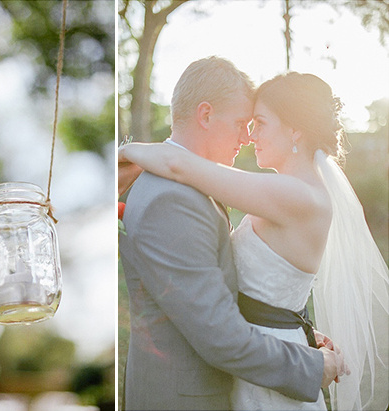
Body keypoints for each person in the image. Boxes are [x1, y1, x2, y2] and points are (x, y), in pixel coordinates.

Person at [119, 67, 389, 410]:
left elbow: (177, 164)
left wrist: (125, 154)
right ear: (205, 114)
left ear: (294, 130)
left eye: (259, 122)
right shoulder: (180, 197)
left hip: (269, 369)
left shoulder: (296, 195)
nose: (249, 135)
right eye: (245, 123)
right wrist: (299, 332)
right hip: (257, 359)